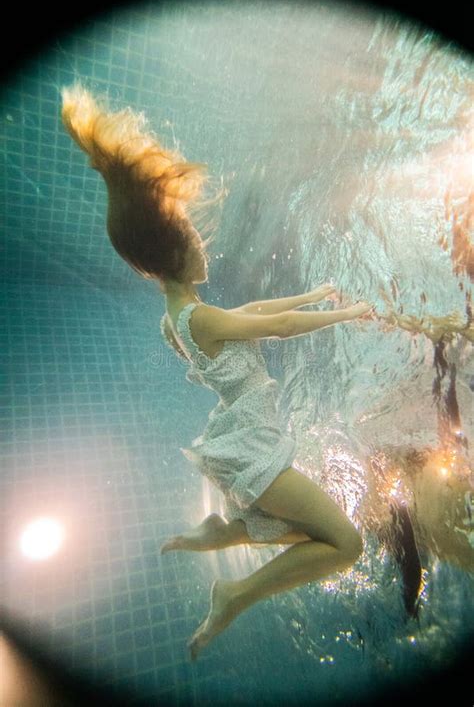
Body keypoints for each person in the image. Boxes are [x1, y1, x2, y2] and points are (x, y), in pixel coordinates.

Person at [61, 84, 375, 661]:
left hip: (241, 444)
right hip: (254, 452)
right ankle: (235, 593)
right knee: (344, 543)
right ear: (180, 252)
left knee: (311, 534)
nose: (205, 246)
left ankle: (224, 532)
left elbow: (253, 315)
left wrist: (314, 292)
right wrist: (347, 312)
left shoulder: (176, 319)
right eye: (196, 238)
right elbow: (274, 328)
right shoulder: (200, 318)